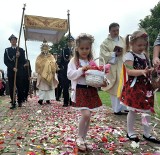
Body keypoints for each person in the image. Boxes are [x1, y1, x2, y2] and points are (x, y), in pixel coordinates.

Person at [67, 33, 107, 151]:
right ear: (77, 49)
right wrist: (81, 70)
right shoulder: (74, 61)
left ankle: (84, 138)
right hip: (80, 90)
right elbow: (70, 75)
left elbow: (98, 74)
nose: (84, 51)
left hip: (91, 91)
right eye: (82, 48)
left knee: (89, 117)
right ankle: (79, 137)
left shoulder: (92, 61)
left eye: (87, 48)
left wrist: (103, 82)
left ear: (90, 48)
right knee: (85, 114)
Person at [120, 30, 160, 144]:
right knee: (133, 110)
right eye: (139, 45)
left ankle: (147, 132)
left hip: (146, 87)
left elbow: (147, 69)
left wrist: (153, 71)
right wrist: (142, 71)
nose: (142, 47)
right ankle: (130, 131)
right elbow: (129, 71)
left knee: (146, 110)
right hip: (135, 87)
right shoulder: (129, 55)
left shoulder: (145, 55)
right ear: (132, 44)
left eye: (144, 45)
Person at [99, 22, 127, 115]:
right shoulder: (105, 43)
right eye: (114, 31)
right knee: (116, 87)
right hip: (113, 67)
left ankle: (125, 106)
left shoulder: (123, 40)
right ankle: (116, 109)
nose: (116, 32)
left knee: (125, 85)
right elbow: (103, 55)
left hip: (123, 65)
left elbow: (128, 50)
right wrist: (114, 54)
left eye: (117, 30)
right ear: (109, 31)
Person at [4, 34, 26, 109]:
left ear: (16, 41)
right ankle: (13, 102)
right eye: (12, 40)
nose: (13, 41)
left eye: (14, 40)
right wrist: (12, 68)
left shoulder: (21, 50)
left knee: (20, 86)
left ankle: (20, 101)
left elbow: (23, 61)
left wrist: (19, 56)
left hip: (19, 71)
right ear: (10, 41)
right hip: (11, 71)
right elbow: (6, 61)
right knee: (11, 87)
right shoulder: (7, 50)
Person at [35, 39, 58, 105]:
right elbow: (37, 63)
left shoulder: (51, 56)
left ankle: (48, 99)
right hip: (42, 73)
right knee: (42, 88)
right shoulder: (39, 56)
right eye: (43, 48)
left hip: (49, 73)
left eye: (46, 48)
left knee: (48, 88)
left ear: (48, 49)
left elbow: (53, 62)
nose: (45, 49)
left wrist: (49, 63)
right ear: (42, 49)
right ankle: (41, 99)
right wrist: (43, 63)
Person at [58, 35, 74, 106]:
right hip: (66, 71)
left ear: (73, 42)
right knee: (65, 87)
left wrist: (72, 57)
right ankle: (65, 101)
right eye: (68, 41)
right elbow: (61, 61)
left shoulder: (76, 50)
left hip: (74, 71)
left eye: (71, 41)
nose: (70, 43)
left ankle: (72, 101)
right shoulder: (64, 51)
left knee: (73, 87)